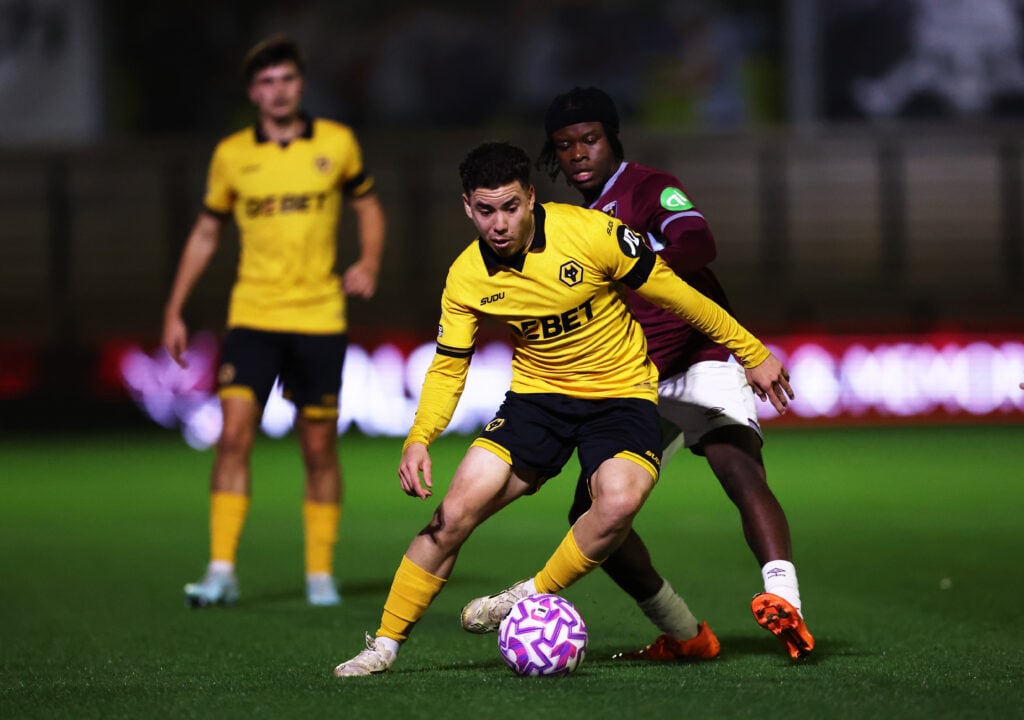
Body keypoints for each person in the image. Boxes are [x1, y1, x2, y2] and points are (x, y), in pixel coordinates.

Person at [332, 141, 792, 677]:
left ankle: (525, 596)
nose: (499, 224)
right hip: (537, 401)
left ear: (531, 198)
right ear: (467, 208)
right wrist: (420, 437)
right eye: (485, 211)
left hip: (619, 395)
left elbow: (677, 294)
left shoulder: (590, 234)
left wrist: (752, 351)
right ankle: (383, 646)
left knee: (617, 504)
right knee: (452, 515)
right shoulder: (466, 278)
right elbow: (449, 366)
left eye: (510, 207)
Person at [484, 86, 812, 660]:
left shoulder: (648, 188)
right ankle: (687, 634)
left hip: (700, 355)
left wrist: (638, 266)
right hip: (633, 378)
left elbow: (697, 241)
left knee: (736, 465)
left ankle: (785, 599)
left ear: (613, 139)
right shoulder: (565, 224)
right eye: (565, 145)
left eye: (590, 139)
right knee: (591, 515)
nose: (579, 152)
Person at [161, 34, 386, 608]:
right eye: (265, 82)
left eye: (286, 79)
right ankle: (221, 570)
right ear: (252, 92)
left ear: (300, 85)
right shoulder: (234, 154)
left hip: (318, 317)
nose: (277, 90)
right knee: (233, 438)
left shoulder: (336, 143)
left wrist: (368, 261)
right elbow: (208, 230)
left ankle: (318, 576)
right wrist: (175, 308)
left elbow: (367, 204)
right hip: (254, 315)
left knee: (318, 450)